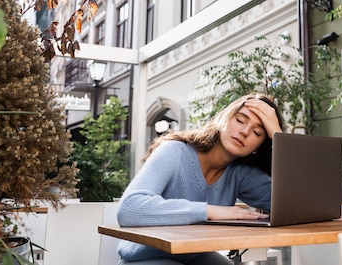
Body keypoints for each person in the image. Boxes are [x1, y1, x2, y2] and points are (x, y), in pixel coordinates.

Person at [116, 93, 285, 265]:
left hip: (191, 255)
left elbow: (293, 205)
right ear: (223, 118)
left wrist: (279, 138)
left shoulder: (240, 173)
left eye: (257, 132)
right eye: (240, 120)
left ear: (259, 146)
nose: (244, 131)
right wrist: (210, 212)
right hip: (147, 257)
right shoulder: (174, 151)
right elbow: (129, 209)